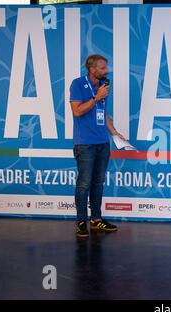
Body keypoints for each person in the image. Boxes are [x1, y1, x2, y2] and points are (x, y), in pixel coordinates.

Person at [69, 54, 126, 238]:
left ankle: (96, 219)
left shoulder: (103, 87)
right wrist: (96, 97)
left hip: (103, 142)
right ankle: (80, 222)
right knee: (84, 184)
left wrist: (114, 132)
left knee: (98, 183)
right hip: (85, 143)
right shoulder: (78, 84)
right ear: (92, 69)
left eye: (106, 67)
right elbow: (77, 111)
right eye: (102, 68)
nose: (106, 70)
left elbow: (103, 112)